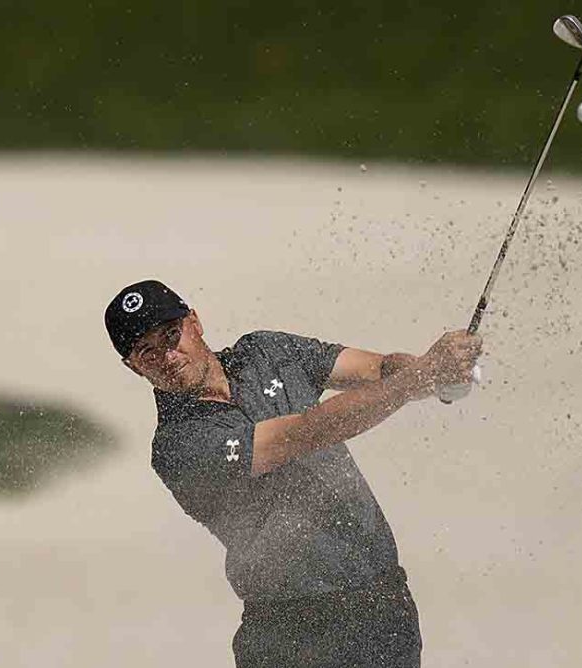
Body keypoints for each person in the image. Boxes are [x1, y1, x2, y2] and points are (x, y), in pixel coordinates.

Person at [104, 279, 481, 668]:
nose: (168, 356)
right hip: (291, 633)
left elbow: (378, 368)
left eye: (171, 335)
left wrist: (435, 373)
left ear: (195, 321)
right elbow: (307, 432)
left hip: (385, 608)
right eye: (147, 352)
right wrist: (419, 378)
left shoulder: (266, 351)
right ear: (133, 367)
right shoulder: (178, 445)